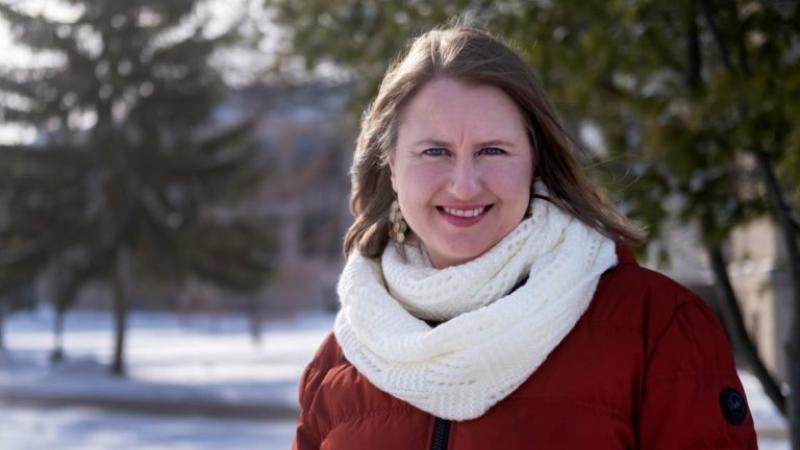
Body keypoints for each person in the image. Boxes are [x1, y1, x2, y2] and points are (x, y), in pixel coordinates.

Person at [292, 25, 758, 450]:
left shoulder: (657, 328)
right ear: (390, 166)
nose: (464, 185)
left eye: (492, 150)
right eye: (435, 151)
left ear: (535, 158)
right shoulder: (344, 357)